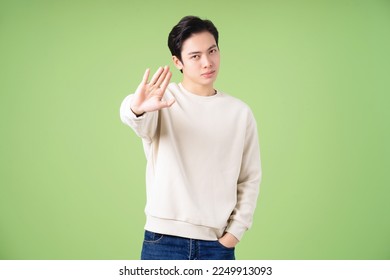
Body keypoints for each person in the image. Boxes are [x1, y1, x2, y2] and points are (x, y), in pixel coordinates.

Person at [120, 16, 261, 260]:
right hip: (162, 240)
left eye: (212, 51)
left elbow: (249, 178)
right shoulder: (162, 100)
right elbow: (135, 118)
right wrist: (137, 107)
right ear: (178, 62)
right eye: (195, 56)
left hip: (217, 245)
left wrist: (234, 234)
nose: (207, 62)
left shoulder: (240, 113)